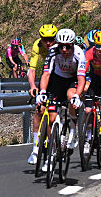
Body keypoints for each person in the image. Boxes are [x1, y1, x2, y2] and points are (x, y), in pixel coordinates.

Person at [28, 28, 87, 165]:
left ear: (73, 45)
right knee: (46, 112)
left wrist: (77, 95)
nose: (64, 50)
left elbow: (81, 79)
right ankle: (41, 149)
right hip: (57, 80)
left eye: (68, 47)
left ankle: (73, 127)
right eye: (61, 46)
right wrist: (42, 92)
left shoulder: (79, 54)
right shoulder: (53, 50)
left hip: (72, 80)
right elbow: (46, 74)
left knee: (71, 96)